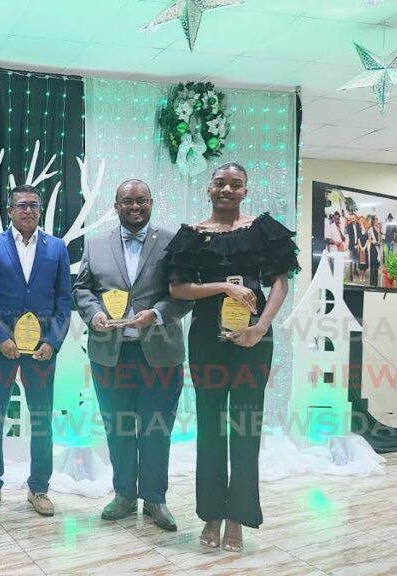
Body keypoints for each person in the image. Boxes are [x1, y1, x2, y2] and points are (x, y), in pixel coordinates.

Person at [164, 162, 299, 553]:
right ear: (209, 189)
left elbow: (279, 281)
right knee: (210, 427)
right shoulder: (192, 236)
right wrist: (222, 286)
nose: (226, 189)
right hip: (207, 339)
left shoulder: (263, 229)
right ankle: (211, 514)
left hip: (254, 339)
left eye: (235, 184)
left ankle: (238, 517)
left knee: (245, 427)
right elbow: (178, 289)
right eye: (220, 183)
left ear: (245, 190)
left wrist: (261, 328)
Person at [73, 179, 192, 532]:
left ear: (151, 204)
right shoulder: (95, 246)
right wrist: (94, 313)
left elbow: (183, 293)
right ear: (116, 205)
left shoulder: (172, 242)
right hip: (110, 354)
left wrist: (155, 314)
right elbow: (82, 289)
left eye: (142, 201)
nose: (135, 207)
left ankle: (155, 498)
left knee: (157, 429)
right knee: (119, 427)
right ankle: (124, 494)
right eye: (128, 201)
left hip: (160, 352)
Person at [0, 184, 72, 517]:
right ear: (9, 210)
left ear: (41, 210)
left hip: (42, 349)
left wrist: (53, 341)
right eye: (21, 205)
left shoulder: (57, 248)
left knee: (42, 418)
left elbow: (64, 301)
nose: (28, 210)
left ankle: (39, 488)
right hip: (0, 347)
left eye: (34, 205)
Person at [368, 215, 381, 287]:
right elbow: (369, 239)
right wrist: (374, 242)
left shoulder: (378, 228)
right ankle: (371, 283)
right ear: (372, 220)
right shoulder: (371, 228)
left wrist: (378, 241)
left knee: (376, 266)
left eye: (377, 219)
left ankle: (375, 283)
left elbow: (379, 238)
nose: (376, 220)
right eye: (375, 219)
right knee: (372, 265)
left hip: (377, 248)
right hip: (373, 248)